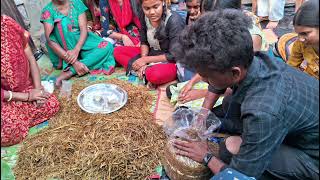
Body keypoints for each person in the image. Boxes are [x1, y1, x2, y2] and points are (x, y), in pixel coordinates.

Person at [172, 10, 319, 179]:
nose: (204, 80)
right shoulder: (256, 59)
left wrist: (206, 157)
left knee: (229, 149)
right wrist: (203, 115)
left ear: (235, 73)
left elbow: (239, 176)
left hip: (312, 158)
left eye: (206, 76)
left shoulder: (263, 110)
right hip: (294, 124)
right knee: (228, 102)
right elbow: (216, 82)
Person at [169, 0, 268, 105]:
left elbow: (235, 79)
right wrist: (192, 82)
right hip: (219, 75)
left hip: (233, 86)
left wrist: (202, 93)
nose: (207, 26)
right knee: (177, 90)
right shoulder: (215, 32)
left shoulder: (251, 38)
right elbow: (209, 63)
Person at [1, 15, 60, 147]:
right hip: (5, 98)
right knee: (10, 131)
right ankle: (17, 120)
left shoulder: (8, 23)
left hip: (26, 89)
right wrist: (27, 97)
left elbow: (31, 57)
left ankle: (21, 118)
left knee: (52, 104)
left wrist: (38, 89)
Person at [41, 0, 116, 86]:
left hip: (82, 42)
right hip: (64, 50)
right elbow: (51, 41)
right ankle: (85, 62)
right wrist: (74, 62)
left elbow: (83, 29)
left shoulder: (76, 3)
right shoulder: (47, 11)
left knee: (108, 46)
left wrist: (76, 49)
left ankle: (70, 71)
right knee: (102, 54)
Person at [113, 0, 185, 87]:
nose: (151, 12)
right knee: (118, 51)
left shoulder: (174, 20)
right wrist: (143, 61)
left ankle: (145, 72)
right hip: (152, 54)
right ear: (142, 7)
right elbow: (144, 41)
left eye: (155, 7)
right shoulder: (144, 16)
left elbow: (174, 55)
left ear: (163, 3)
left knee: (154, 75)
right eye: (147, 8)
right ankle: (144, 71)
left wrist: (145, 60)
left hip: (171, 61)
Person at [287, 0, 319, 80]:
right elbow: (292, 66)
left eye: (305, 33)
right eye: (298, 34)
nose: (300, 39)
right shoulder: (300, 44)